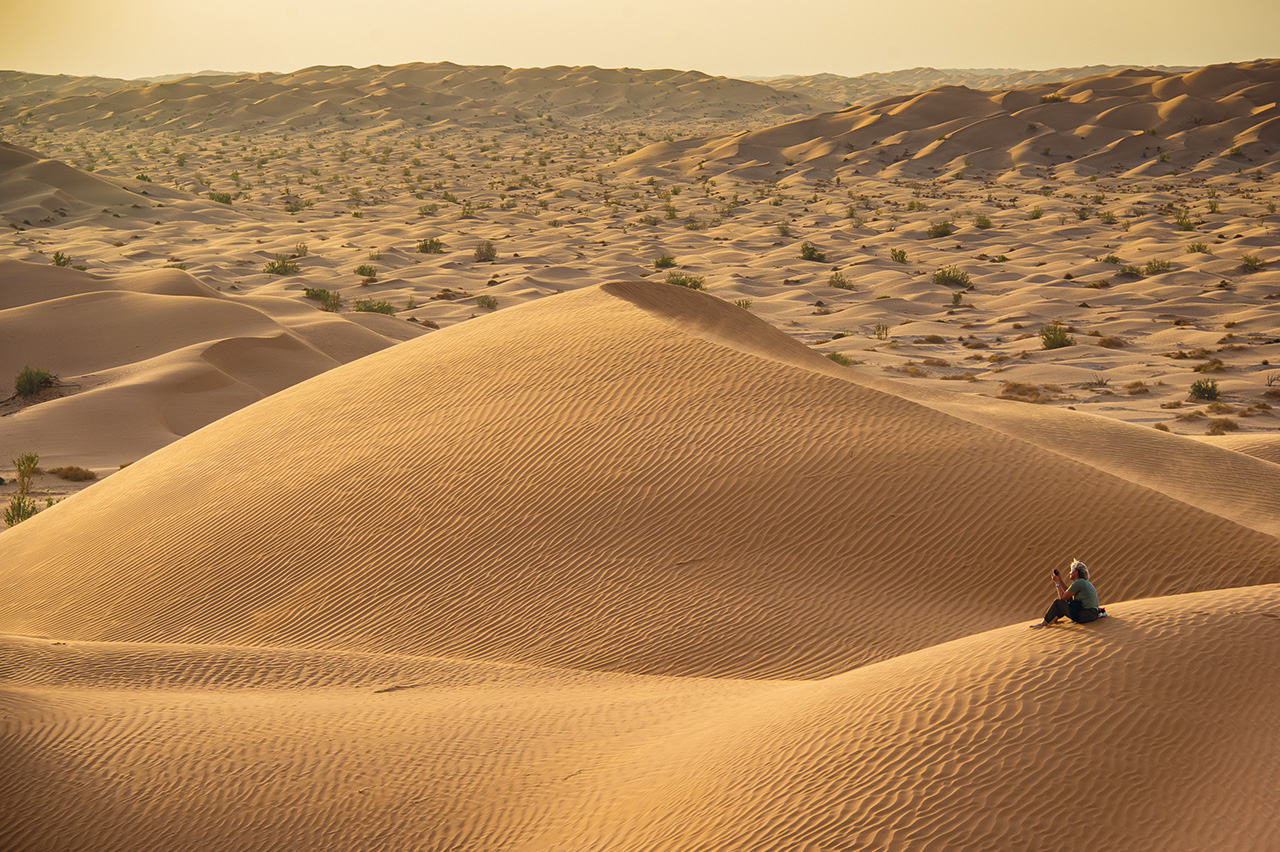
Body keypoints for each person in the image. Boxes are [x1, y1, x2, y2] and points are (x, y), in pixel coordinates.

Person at [1030, 559, 1101, 628]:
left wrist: (1057, 583)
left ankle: (1043, 623)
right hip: (1092, 614)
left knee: (1058, 603)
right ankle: (1053, 619)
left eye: (1071, 571)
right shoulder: (1083, 582)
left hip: (1085, 615)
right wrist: (1059, 579)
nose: (1069, 573)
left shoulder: (1078, 583)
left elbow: (1062, 597)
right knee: (1069, 600)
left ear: (1076, 572)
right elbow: (1067, 592)